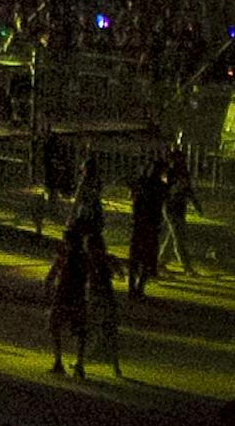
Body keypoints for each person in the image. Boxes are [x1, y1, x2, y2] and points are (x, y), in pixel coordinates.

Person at [45, 226, 89, 378]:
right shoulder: (84, 257)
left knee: (55, 326)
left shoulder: (63, 256)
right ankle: (80, 364)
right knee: (80, 331)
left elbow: (50, 277)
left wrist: (48, 292)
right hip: (78, 296)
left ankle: (58, 361)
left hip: (63, 294)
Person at [84, 232, 121, 379]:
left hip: (97, 297)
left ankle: (86, 360)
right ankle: (115, 367)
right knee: (106, 330)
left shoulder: (90, 260)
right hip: (106, 297)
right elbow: (119, 273)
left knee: (92, 327)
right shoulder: (106, 259)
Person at [127, 158, 166, 298]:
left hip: (139, 224)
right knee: (146, 258)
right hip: (151, 225)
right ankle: (138, 288)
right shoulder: (160, 187)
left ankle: (132, 288)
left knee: (135, 257)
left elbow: (132, 194)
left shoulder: (141, 183)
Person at [163, 147, 203, 275]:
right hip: (171, 208)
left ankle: (161, 261)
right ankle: (186, 266)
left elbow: (188, 190)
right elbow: (169, 191)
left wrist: (197, 206)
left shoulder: (180, 172)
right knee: (178, 238)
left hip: (178, 208)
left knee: (174, 236)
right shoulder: (169, 173)